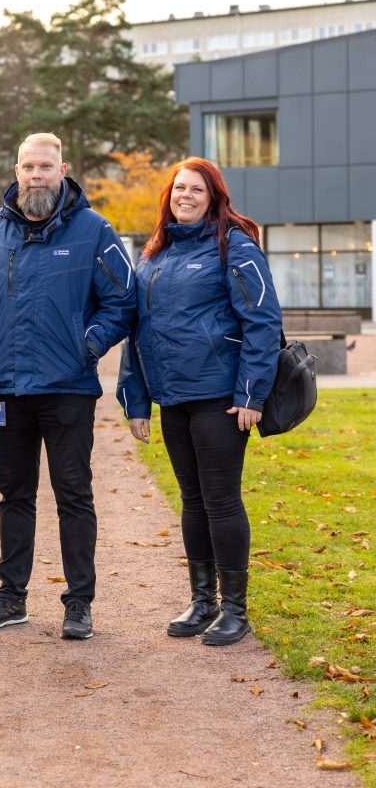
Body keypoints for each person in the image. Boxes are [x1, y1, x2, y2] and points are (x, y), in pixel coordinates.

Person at [0, 132, 137, 640]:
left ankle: (79, 602)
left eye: (46, 167)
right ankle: (11, 596)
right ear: (16, 171)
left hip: (68, 387)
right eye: (28, 166)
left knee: (73, 493)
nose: (36, 175)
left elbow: (123, 298)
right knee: (14, 493)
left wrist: (88, 345)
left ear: (63, 170)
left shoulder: (95, 231)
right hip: (4, 387)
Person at [117, 157, 282, 646]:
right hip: (173, 398)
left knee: (221, 500)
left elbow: (263, 321)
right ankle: (202, 600)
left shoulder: (235, 245)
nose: (185, 196)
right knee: (192, 500)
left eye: (196, 190)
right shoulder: (153, 255)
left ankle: (235, 609)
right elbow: (136, 331)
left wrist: (251, 393)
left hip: (220, 400)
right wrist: (136, 399)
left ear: (213, 198)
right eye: (179, 189)